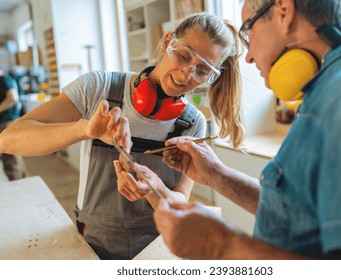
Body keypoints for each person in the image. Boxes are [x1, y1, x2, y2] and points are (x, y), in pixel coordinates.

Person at [118, 0, 341, 259]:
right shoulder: (334, 86)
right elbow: (303, 213)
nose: (248, 56)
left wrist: (222, 244)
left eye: (249, 31)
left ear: (283, 10)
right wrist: (217, 176)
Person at [0, 13, 243, 259]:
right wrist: (85, 129)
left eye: (202, 70)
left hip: (156, 247)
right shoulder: (100, 87)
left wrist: (153, 187)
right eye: (182, 56)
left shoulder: (193, 123)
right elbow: (8, 139)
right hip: (92, 241)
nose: (184, 76)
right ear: (167, 41)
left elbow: (179, 202)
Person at [0, 67, 27, 180]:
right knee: (14, 155)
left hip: (6, 122)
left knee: (10, 157)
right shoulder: (7, 79)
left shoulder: (3, 80)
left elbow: (13, 98)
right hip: (9, 121)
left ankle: (18, 185)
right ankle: (23, 181)